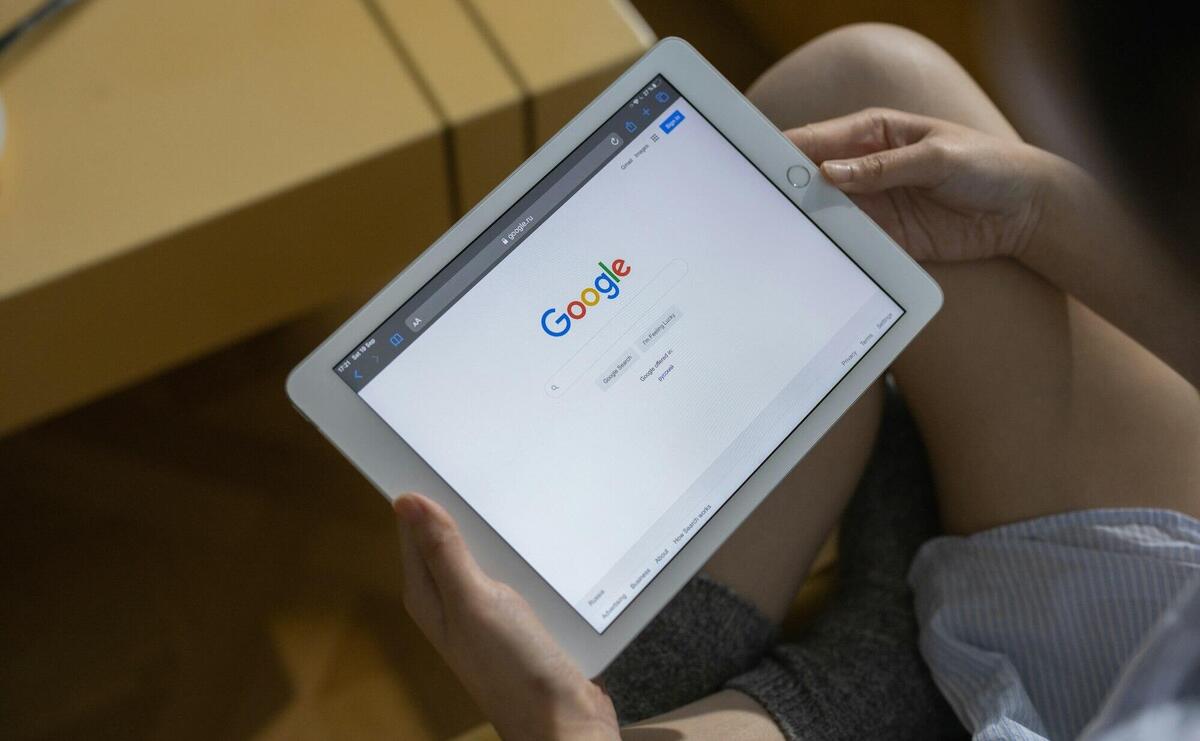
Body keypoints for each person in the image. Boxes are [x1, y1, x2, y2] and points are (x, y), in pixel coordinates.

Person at [392, 4, 1200, 739]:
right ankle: (899, 653)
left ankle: (880, 671)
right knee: (856, 99)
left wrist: (562, 724)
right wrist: (1038, 208)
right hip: (1152, 600)